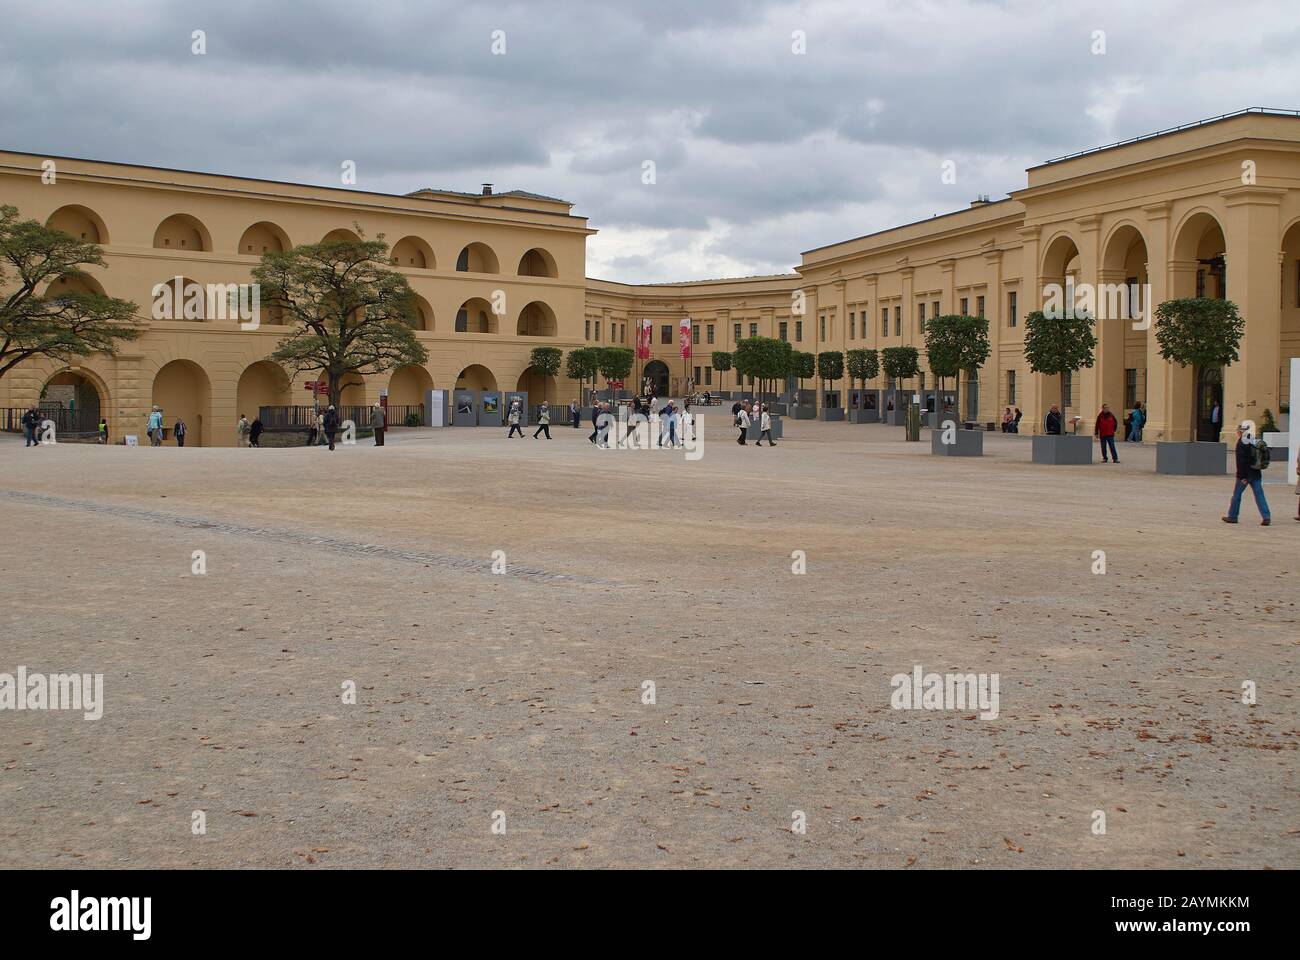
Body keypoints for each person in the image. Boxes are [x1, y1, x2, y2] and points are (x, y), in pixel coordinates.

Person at [1223, 423, 1271, 525]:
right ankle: (1266, 517)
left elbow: (1241, 462)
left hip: (1244, 475)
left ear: (1240, 432)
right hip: (1256, 473)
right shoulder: (1254, 440)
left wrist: (1243, 477)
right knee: (1259, 495)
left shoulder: (1241, 443)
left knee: (1237, 495)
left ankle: (1232, 516)